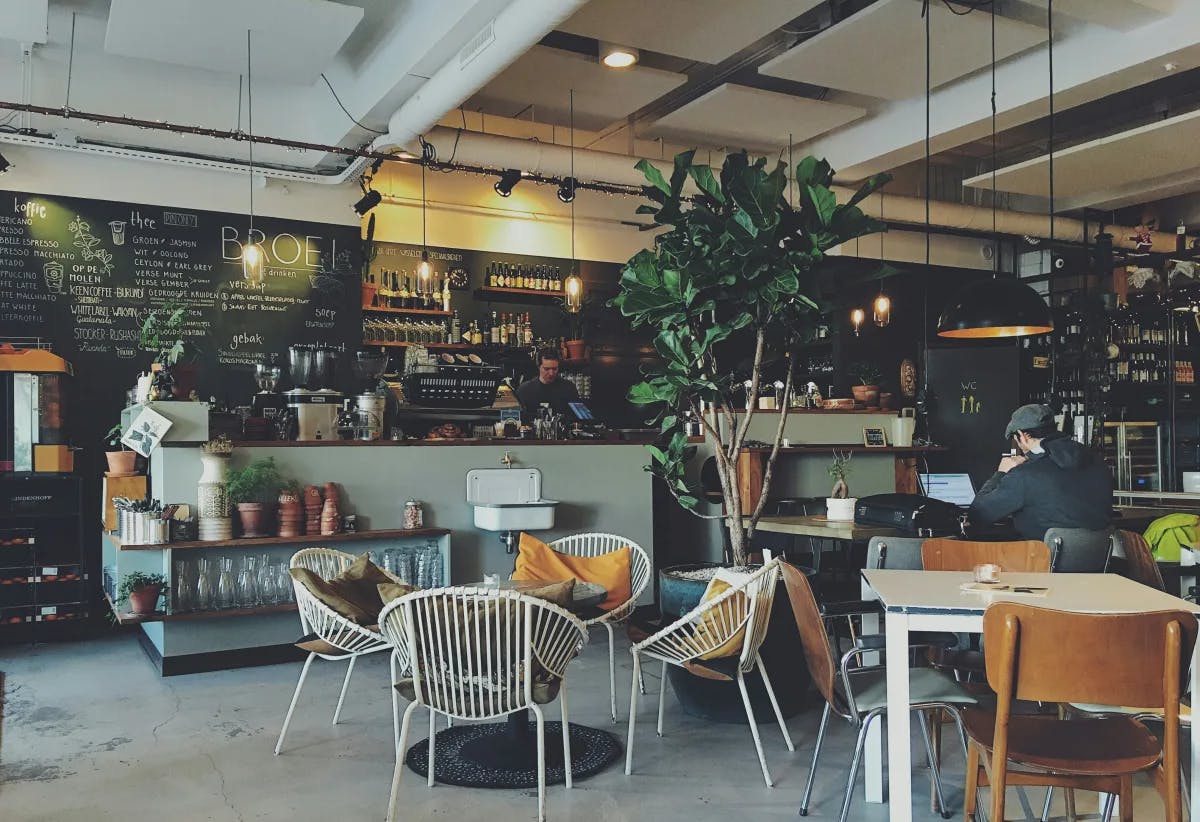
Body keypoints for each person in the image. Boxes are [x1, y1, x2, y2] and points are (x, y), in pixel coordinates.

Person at [968, 403, 1112, 540]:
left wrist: (1001, 473)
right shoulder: (1096, 460)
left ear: (1022, 436)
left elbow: (978, 515)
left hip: (1041, 560)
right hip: (1099, 561)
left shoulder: (1023, 475)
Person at [517, 348, 579, 415]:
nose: (551, 373)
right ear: (538, 366)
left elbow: (579, 417)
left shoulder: (569, 388)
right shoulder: (525, 390)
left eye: (554, 369)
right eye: (547, 369)